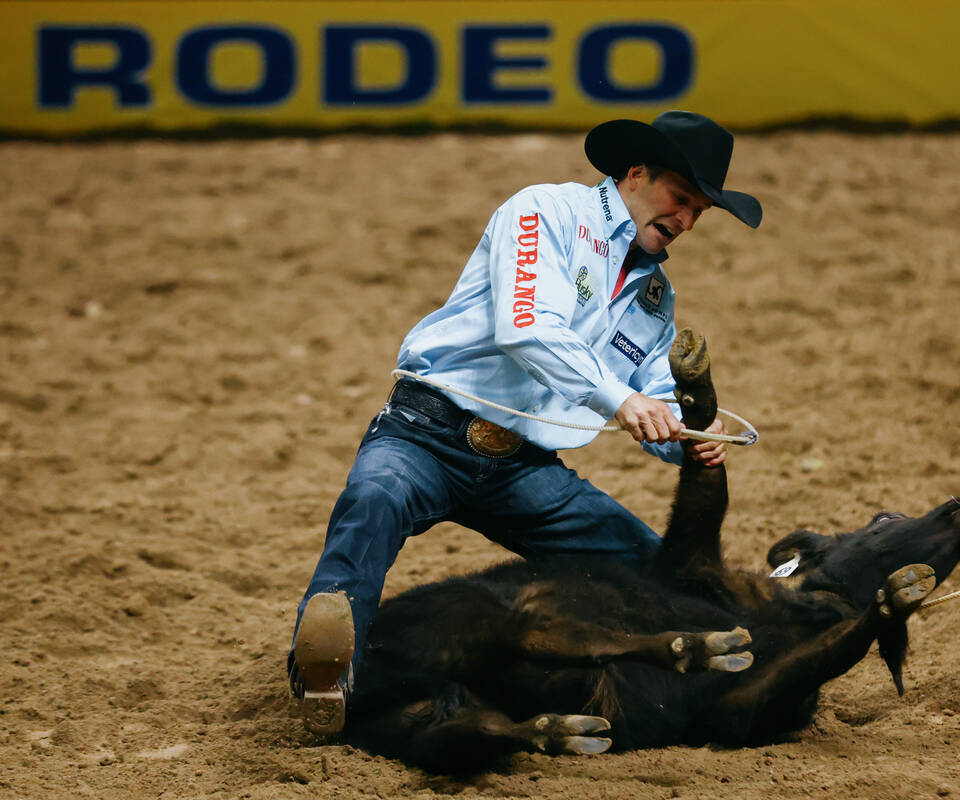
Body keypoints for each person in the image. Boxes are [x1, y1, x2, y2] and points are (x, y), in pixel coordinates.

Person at [289, 110, 763, 737]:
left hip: (523, 467)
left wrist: (690, 439)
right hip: (424, 432)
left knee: (650, 571)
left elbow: (653, 390)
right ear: (637, 173)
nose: (685, 222)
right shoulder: (545, 211)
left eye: (698, 213)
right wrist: (618, 402)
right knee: (373, 499)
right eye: (681, 200)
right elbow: (529, 325)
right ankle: (325, 673)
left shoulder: (656, 298)